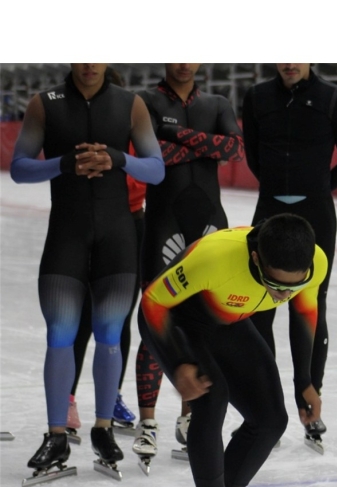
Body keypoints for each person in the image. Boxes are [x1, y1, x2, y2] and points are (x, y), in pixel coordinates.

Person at [9, 63, 164, 477]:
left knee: (110, 335)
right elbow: (19, 167)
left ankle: (102, 428)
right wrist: (63, 165)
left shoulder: (130, 105)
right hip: (66, 236)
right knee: (59, 335)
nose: (90, 64)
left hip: (118, 237)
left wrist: (116, 158)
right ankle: (56, 434)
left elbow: (156, 167)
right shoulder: (44, 105)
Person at [138, 213, 327, 487]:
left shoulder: (317, 262)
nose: (284, 295)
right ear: (255, 259)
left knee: (271, 421)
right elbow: (154, 300)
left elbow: (305, 315)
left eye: (294, 287)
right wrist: (179, 361)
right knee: (212, 399)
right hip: (174, 319)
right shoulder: (215, 258)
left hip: (226, 320)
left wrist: (305, 383)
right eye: (275, 285)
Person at [241, 63, 337, 446]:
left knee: (310, 307)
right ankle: (267, 407)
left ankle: (309, 400)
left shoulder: (335, 98)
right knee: (261, 307)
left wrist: (316, 189)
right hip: (268, 212)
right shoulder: (257, 97)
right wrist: (280, 188)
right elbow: (255, 158)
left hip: (317, 215)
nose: (290, 61)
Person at [133, 63, 245, 460]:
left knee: (203, 319)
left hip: (211, 226)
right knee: (156, 316)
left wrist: (177, 134)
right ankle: (148, 423)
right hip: (163, 224)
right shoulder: (145, 100)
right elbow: (150, 155)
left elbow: (234, 149)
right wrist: (204, 145)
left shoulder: (217, 102)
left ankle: (190, 415)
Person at [68, 67, 143, 438]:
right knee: (80, 315)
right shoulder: (78, 124)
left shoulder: (130, 119)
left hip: (131, 222)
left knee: (118, 318)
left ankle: (110, 394)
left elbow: (149, 168)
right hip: (88, 222)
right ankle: (66, 398)